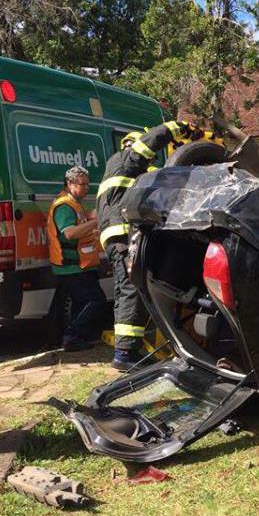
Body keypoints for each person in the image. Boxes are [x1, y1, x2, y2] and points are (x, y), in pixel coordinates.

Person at [97, 120, 203, 370]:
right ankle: (124, 354)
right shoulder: (124, 159)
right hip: (122, 234)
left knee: (138, 287)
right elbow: (147, 145)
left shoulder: (125, 171)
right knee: (130, 289)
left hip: (123, 234)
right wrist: (176, 128)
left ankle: (134, 348)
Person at [46, 166, 107, 352]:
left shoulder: (74, 203)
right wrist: (95, 223)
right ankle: (72, 335)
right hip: (72, 266)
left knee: (80, 303)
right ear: (70, 184)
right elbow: (70, 233)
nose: (87, 188)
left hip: (81, 265)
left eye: (88, 184)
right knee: (95, 301)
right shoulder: (64, 206)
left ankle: (75, 339)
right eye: (83, 184)